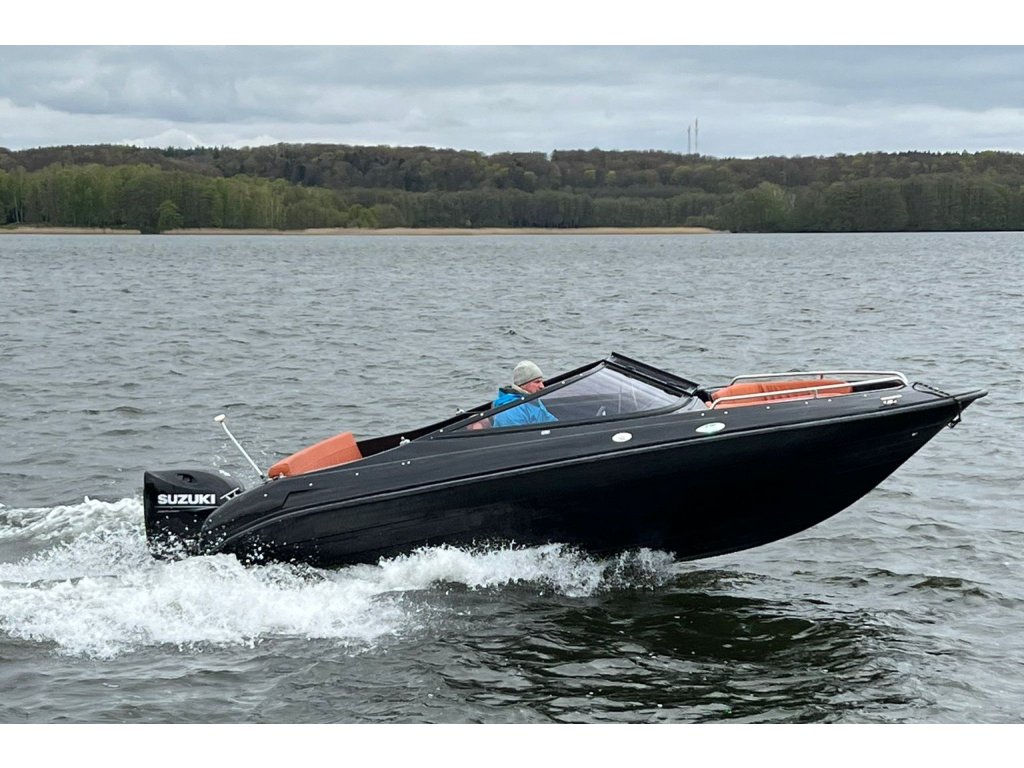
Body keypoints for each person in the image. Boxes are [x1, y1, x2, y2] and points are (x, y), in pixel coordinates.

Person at [491, 360, 558, 428]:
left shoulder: (533, 400)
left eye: (541, 382)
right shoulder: (511, 409)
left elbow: (552, 422)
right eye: (537, 382)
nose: (542, 386)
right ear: (523, 384)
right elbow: (518, 434)